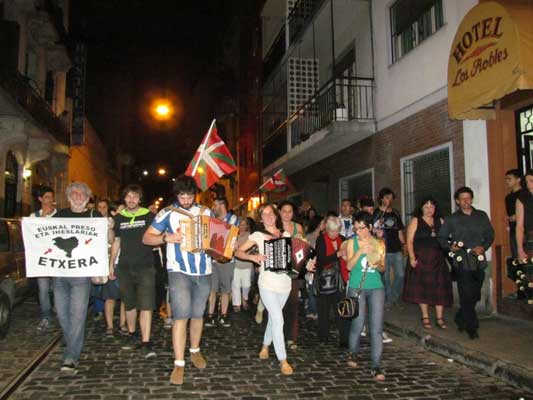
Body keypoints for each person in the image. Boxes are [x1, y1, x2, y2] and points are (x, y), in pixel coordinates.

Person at [143, 175, 213, 385]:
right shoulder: (167, 213)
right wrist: (166, 238)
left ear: (195, 194)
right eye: (181, 196)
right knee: (181, 316)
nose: (185, 200)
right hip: (179, 270)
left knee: (198, 315)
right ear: (176, 195)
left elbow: (216, 239)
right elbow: (146, 238)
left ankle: (195, 351)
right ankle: (179, 363)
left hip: (204, 270)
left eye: (189, 195)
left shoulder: (206, 212)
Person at [235, 203, 294, 376]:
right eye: (264, 214)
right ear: (261, 219)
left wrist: (306, 263)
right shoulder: (258, 235)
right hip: (267, 284)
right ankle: (283, 360)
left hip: (285, 284)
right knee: (278, 318)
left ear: (275, 216)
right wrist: (253, 257)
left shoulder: (286, 235)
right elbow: (238, 252)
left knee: (275, 319)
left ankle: (265, 346)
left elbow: (295, 259)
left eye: (271, 213)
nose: (268, 216)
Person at [53, 182, 102, 373]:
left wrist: (110, 227)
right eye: (74, 193)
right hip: (59, 274)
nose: (78, 195)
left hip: (81, 275)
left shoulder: (95, 216)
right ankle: (72, 343)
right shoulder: (59, 215)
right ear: (68, 196)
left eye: (82, 193)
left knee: (77, 315)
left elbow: (106, 240)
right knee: (62, 314)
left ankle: (71, 356)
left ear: (88, 197)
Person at [438, 187, 494, 340]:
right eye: (462, 199)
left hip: (479, 262)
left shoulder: (481, 216)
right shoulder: (452, 219)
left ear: (472, 199)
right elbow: (441, 238)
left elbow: (490, 234)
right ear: (457, 201)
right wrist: (451, 247)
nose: (465, 201)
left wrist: (483, 246)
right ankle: (472, 327)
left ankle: (460, 316)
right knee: (466, 294)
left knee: (474, 295)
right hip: (462, 262)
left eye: (468, 198)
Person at [109, 185, 156, 357]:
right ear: (124, 199)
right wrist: (111, 264)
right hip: (125, 267)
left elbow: (157, 236)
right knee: (129, 303)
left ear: (140, 198)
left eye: (135, 196)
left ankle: (146, 340)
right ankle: (132, 333)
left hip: (145, 266)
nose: (131, 200)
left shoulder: (149, 216)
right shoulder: (120, 218)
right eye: (128, 197)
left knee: (146, 304)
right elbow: (115, 241)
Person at [345, 211, 386, 381]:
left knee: (376, 328)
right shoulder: (351, 242)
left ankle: (376, 365)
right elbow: (348, 266)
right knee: (358, 323)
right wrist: (360, 251)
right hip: (357, 287)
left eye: (362, 228)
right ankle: (353, 352)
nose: (359, 232)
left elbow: (383, 267)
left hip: (376, 287)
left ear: (370, 227)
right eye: (356, 228)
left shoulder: (379, 243)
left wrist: (377, 265)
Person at [403, 197, 452, 330]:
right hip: (421, 257)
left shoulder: (440, 221)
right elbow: (410, 240)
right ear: (421, 208)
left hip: (438, 258)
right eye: (426, 206)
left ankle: (439, 317)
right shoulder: (415, 220)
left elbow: (446, 239)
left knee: (440, 287)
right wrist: (412, 257)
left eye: (432, 206)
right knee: (422, 288)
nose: (429, 209)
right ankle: (425, 316)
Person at [313, 216, 347, 345]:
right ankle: (323, 336)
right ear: (327, 229)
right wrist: (336, 255)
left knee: (341, 310)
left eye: (337, 231)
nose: (335, 234)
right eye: (332, 231)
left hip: (339, 280)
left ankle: (344, 338)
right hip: (324, 280)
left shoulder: (343, 239)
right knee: (324, 310)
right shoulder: (321, 240)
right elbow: (320, 261)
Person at [205, 197, 239, 327]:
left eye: (215, 204)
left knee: (226, 289)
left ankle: (224, 315)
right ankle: (210, 315)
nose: (213, 207)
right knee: (212, 289)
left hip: (227, 261)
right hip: (212, 259)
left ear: (222, 205)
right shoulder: (211, 218)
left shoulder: (233, 219)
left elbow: (230, 232)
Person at [98, 199, 126, 337]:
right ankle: (109, 326)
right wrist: (111, 228)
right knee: (110, 297)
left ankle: (123, 324)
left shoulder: (127, 224)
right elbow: (111, 240)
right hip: (111, 263)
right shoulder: (108, 225)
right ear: (114, 213)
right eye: (121, 210)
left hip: (126, 263)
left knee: (125, 297)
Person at [279, 200, 304, 350]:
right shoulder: (275, 227)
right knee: (279, 305)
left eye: (290, 211)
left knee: (293, 304)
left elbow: (303, 247)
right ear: (280, 212)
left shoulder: (297, 227)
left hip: (293, 270)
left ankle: (292, 337)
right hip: (278, 270)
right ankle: (279, 334)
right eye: (284, 211)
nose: (287, 214)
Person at [31, 186, 57, 332]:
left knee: (58, 287)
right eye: (46, 197)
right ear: (40, 199)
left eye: (51, 197)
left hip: (58, 259)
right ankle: (45, 316)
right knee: (43, 289)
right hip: (42, 260)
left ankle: (59, 311)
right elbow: (32, 234)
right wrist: (42, 218)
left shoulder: (60, 215)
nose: (50, 200)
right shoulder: (34, 216)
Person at [373, 188, 405, 305]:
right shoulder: (376, 213)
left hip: (396, 249)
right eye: (387, 197)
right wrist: (377, 226)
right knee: (385, 277)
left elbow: (400, 231)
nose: (389, 200)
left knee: (401, 275)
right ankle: (387, 299)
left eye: (391, 198)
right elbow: (372, 230)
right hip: (382, 249)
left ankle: (392, 297)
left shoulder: (395, 213)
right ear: (381, 199)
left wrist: (404, 244)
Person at [233, 217, 255, 312]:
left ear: (247, 225)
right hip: (236, 263)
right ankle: (237, 304)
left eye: (243, 224)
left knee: (247, 285)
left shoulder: (250, 236)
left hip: (247, 263)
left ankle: (244, 299)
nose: (241, 226)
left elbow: (253, 248)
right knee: (236, 285)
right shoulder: (234, 235)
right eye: (240, 224)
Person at [505, 169, 523, 258]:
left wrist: (517, 216)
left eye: (509, 179)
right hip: (513, 229)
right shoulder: (508, 197)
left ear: (518, 179)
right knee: (515, 255)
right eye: (506, 179)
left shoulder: (524, 194)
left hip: (525, 229)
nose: (507, 181)